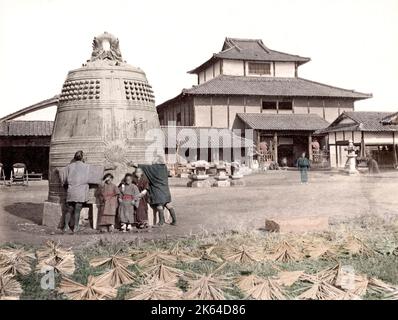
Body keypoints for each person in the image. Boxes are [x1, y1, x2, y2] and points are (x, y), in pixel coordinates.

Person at [58, 150, 104, 233]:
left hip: (71, 191)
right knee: (77, 210)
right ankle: (76, 227)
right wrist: (108, 168)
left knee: (69, 210)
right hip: (80, 192)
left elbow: (61, 172)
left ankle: (65, 227)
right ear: (82, 158)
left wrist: (57, 171)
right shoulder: (86, 167)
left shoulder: (69, 166)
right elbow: (98, 171)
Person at [131, 159, 177, 226]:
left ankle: (161, 222)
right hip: (165, 189)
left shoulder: (153, 168)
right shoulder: (164, 168)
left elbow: (143, 167)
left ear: (156, 163)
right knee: (168, 205)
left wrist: (133, 165)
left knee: (159, 206)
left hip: (157, 190)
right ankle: (174, 221)